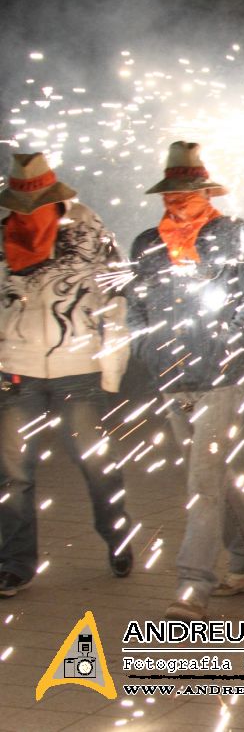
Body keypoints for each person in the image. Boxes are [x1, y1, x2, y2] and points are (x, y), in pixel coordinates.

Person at [126, 141, 244, 620]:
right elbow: (135, 307)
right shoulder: (147, 244)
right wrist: (145, 349)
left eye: (188, 192)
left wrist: (230, 346)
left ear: (206, 190)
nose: (179, 202)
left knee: (201, 483)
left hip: (220, 375)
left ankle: (193, 582)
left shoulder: (235, 235)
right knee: (208, 476)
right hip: (170, 377)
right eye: (172, 193)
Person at [0, 152, 133, 597]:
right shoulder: (3, 234)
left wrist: (111, 369)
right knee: (14, 474)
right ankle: (16, 564)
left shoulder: (90, 231)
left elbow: (115, 302)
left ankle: (118, 537)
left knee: (96, 464)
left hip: (79, 368)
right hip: (17, 370)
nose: (25, 211)